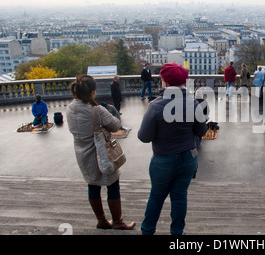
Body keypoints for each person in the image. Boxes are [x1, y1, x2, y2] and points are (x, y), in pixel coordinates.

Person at [138, 63, 207, 235]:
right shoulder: (194, 104)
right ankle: (177, 232)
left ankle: (147, 231)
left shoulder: (155, 106)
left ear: (165, 83)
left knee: (156, 196)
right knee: (179, 197)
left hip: (164, 159)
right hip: (188, 158)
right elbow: (201, 131)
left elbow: (143, 137)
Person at [66, 74, 135, 230]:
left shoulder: (70, 108)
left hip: (82, 152)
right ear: (92, 92)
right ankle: (117, 221)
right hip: (102, 152)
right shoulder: (96, 110)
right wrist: (111, 111)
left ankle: (101, 220)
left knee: (93, 185)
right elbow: (116, 125)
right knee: (112, 184)